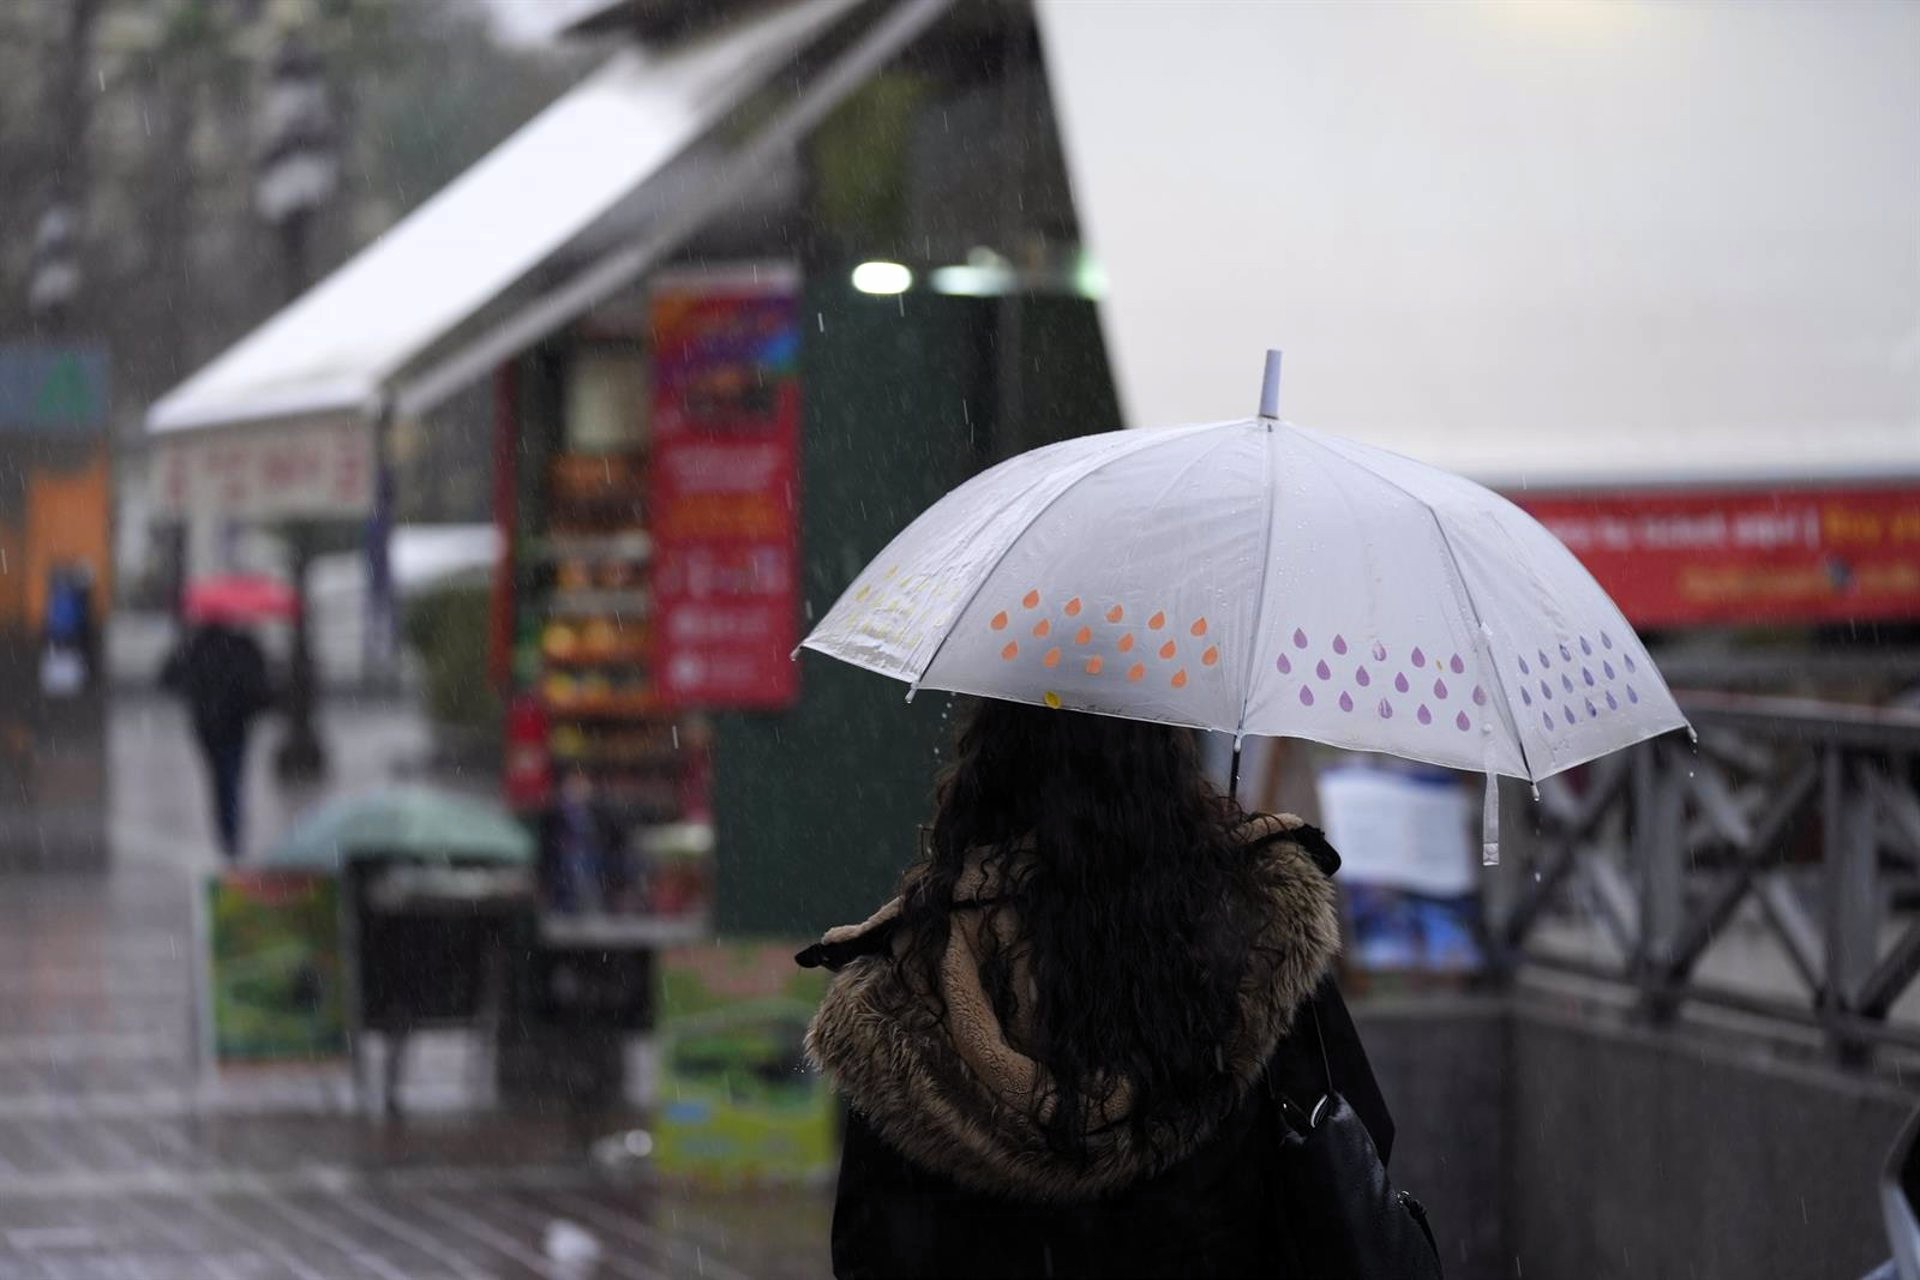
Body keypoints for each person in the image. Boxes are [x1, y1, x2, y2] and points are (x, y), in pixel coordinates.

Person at [800, 699, 1402, 1278]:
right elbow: (1354, 1155)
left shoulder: (913, 979)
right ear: (1171, 760)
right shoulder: (1257, 935)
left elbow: (870, 1247)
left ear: (990, 765)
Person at [162, 615, 273, 860]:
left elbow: (168, 678)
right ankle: (231, 829)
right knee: (231, 776)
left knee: (219, 777)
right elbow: (261, 684)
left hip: (208, 726)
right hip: (235, 725)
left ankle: (227, 828)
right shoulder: (243, 645)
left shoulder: (196, 646)